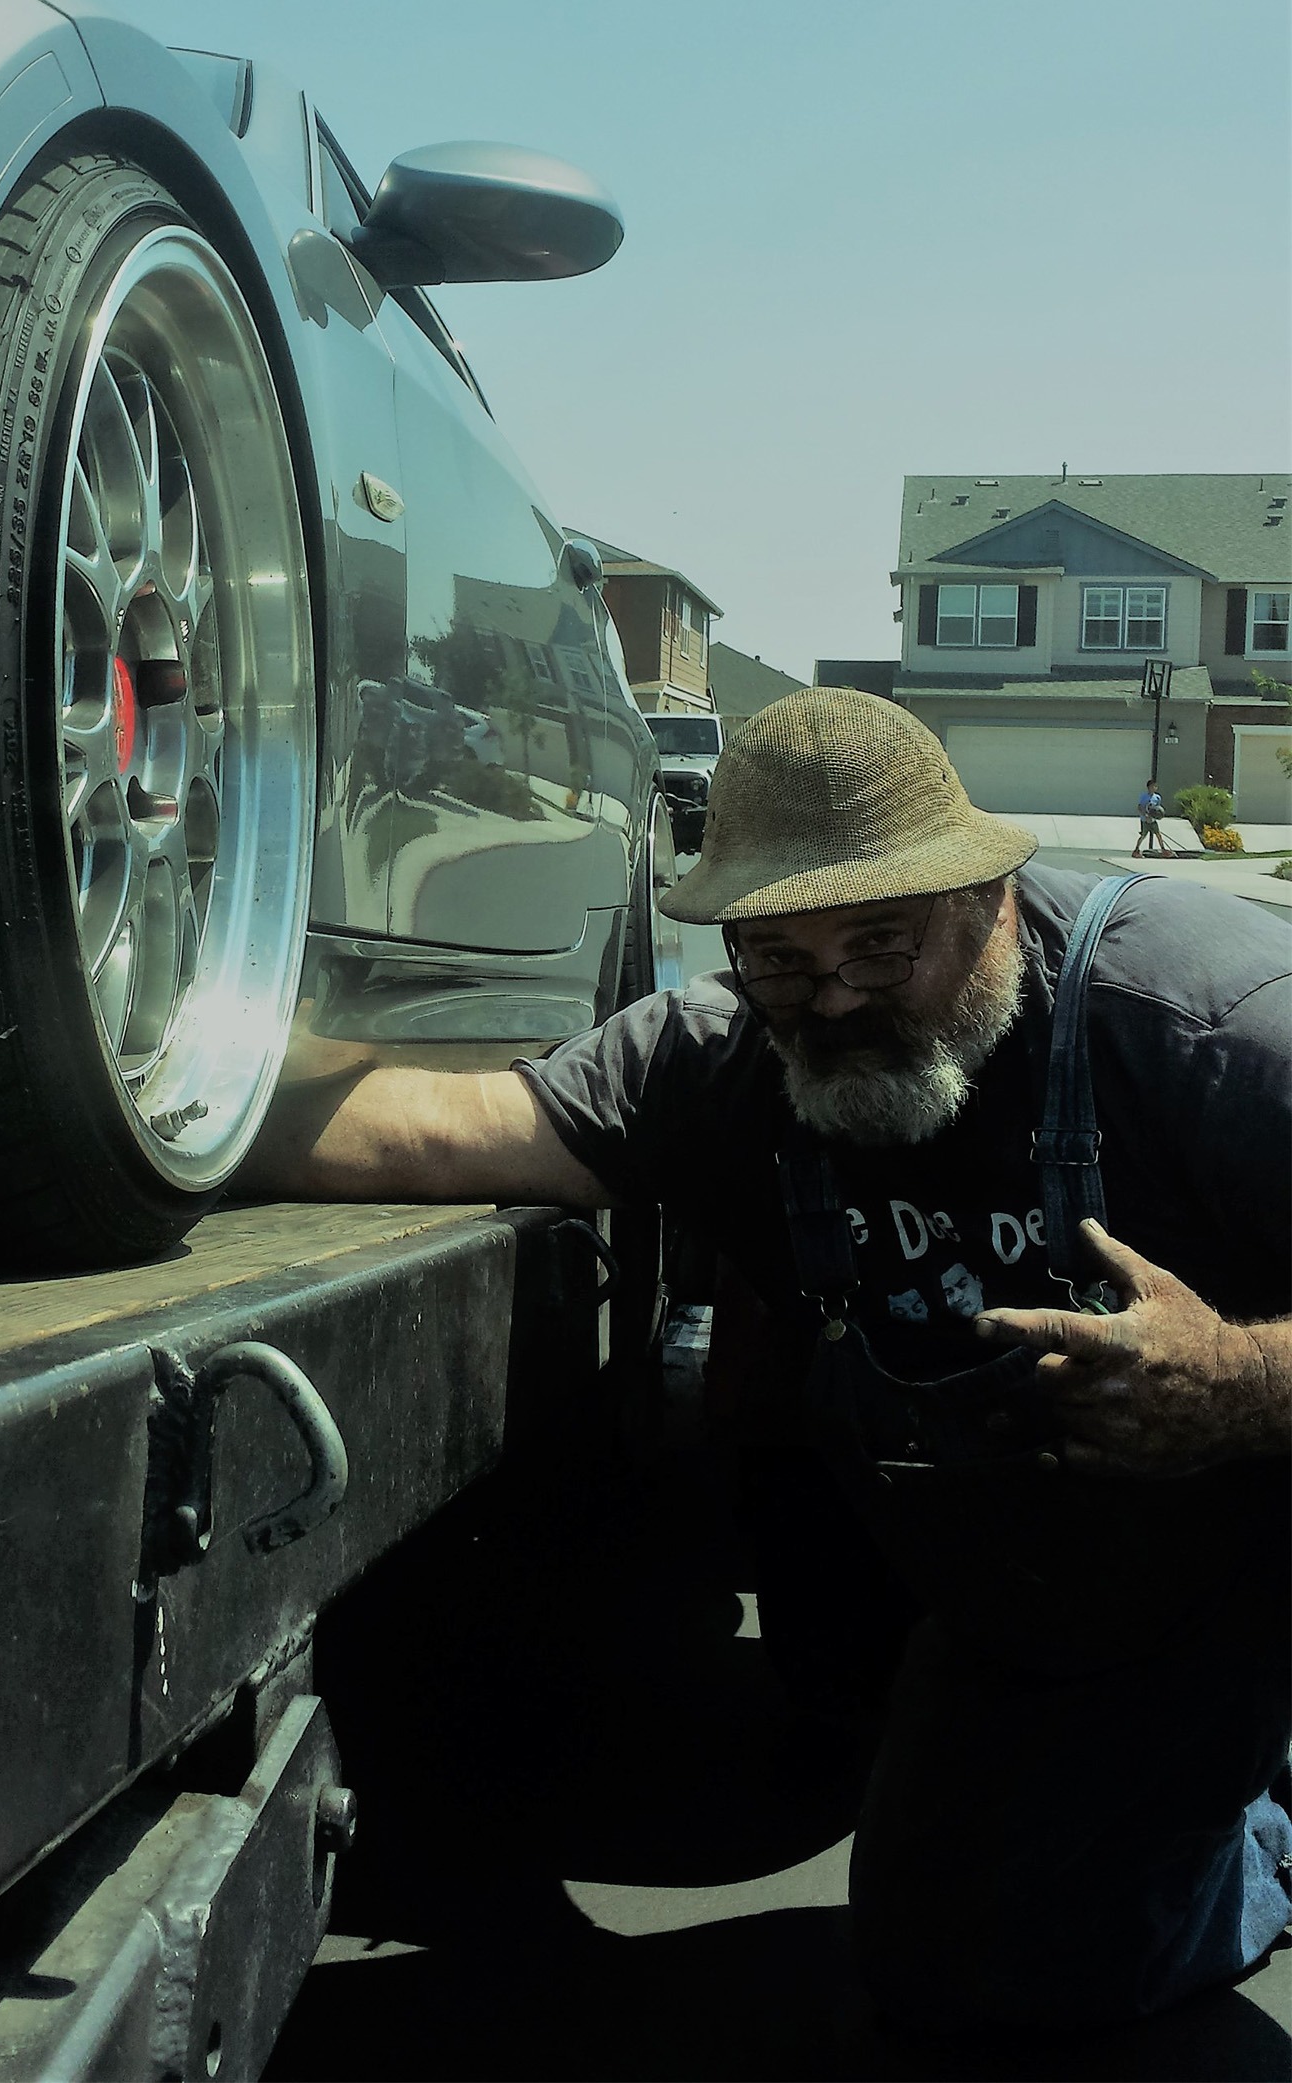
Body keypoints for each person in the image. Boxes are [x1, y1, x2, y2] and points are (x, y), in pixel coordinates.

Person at [242, 688, 1291, 2036]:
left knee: (1095, 1964)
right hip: (1073, 1596)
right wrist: (145, 1069)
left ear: (989, 898)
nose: (838, 997)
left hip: (1250, 1526)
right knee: (949, 1963)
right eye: (782, 956)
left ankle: (1257, 1831)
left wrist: (1239, 1383)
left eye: (880, 941)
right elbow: (438, 1129)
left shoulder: (1209, 1021)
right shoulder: (721, 1056)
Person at [1134, 777, 1173, 856]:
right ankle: (1136, 849)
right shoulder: (1144, 796)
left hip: (1153, 820)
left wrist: (1157, 816)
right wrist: (1145, 815)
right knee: (1143, 835)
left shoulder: (1157, 797)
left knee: (1158, 834)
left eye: (1155, 786)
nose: (1154, 788)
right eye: (1152, 786)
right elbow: (1140, 807)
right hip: (1145, 820)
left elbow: (1157, 809)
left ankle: (1163, 849)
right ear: (1148, 787)